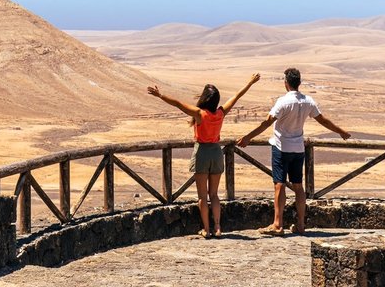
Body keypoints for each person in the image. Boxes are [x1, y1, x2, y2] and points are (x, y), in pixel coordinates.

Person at [237, 67, 350, 236]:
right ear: (299, 83)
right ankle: (301, 224)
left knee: (279, 184)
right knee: (298, 186)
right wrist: (340, 131)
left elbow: (266, 123)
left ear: (286, 83)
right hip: (298, 149)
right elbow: (323, 120)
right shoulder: (308, 101)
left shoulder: (282, 102)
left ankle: (277, 224)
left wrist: (248, 137)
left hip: (281, 148)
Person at [148, 73, 261, 237]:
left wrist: (160, 95)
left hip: (202, 152)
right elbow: (237, 96)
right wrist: (250, 82)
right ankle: (217, 227)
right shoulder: (221, 113)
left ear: (205, 98)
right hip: (216, 152)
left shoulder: (200, 114)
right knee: (214, 194)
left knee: (202, 196)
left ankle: (206, 230)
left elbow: (178, 104)